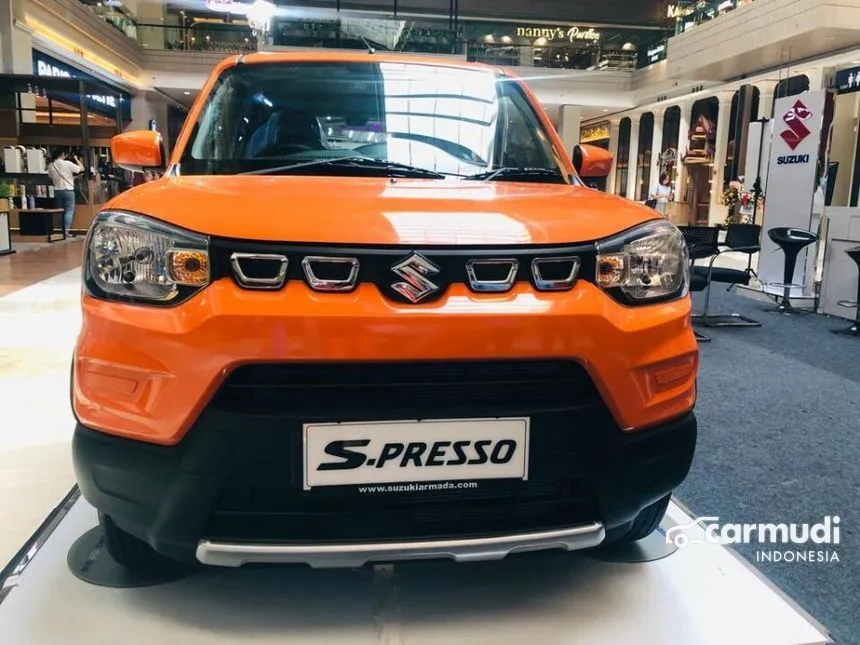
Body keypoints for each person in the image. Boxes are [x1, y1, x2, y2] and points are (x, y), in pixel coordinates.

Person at [47, 149, 84, 237]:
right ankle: (66, 231)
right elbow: (82, 168)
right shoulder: (67, 163)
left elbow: (51, 177)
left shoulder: (51, 165)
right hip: (68, 190)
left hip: (57, 191)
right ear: (63, 154)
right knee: (69, 211)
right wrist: (76, 159)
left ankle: (62, 230)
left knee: (61, 211)